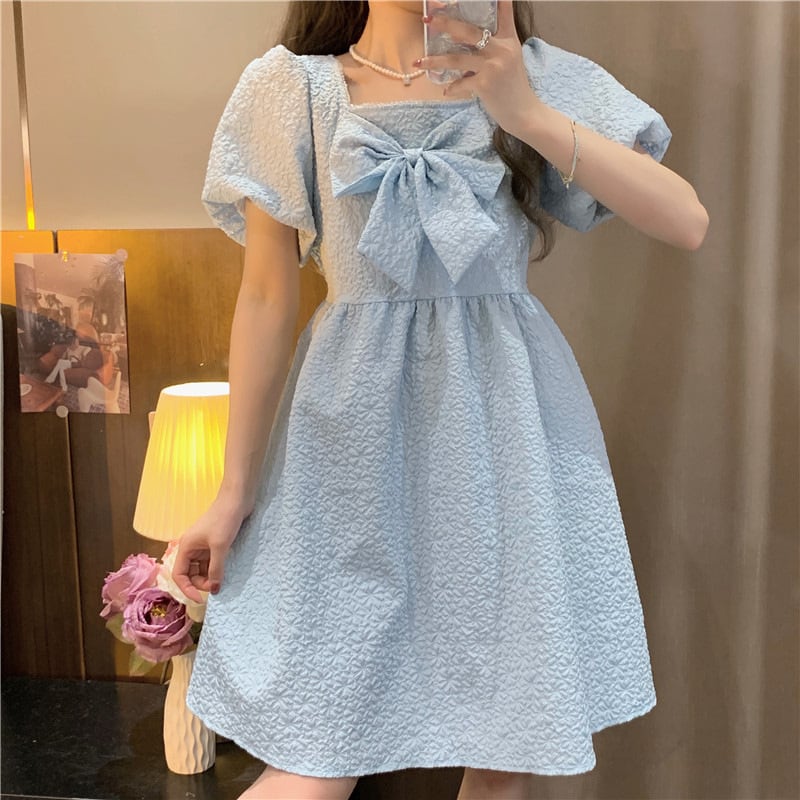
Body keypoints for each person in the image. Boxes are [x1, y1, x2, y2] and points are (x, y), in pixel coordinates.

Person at [173, 1, 709, 798]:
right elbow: (263, 300)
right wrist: (232, 492)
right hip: (350, 443)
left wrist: (523, 111)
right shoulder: (292, 88)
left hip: (509, 435)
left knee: (507, 743)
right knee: (318, 747)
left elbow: (686, 219)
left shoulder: (527, 73)